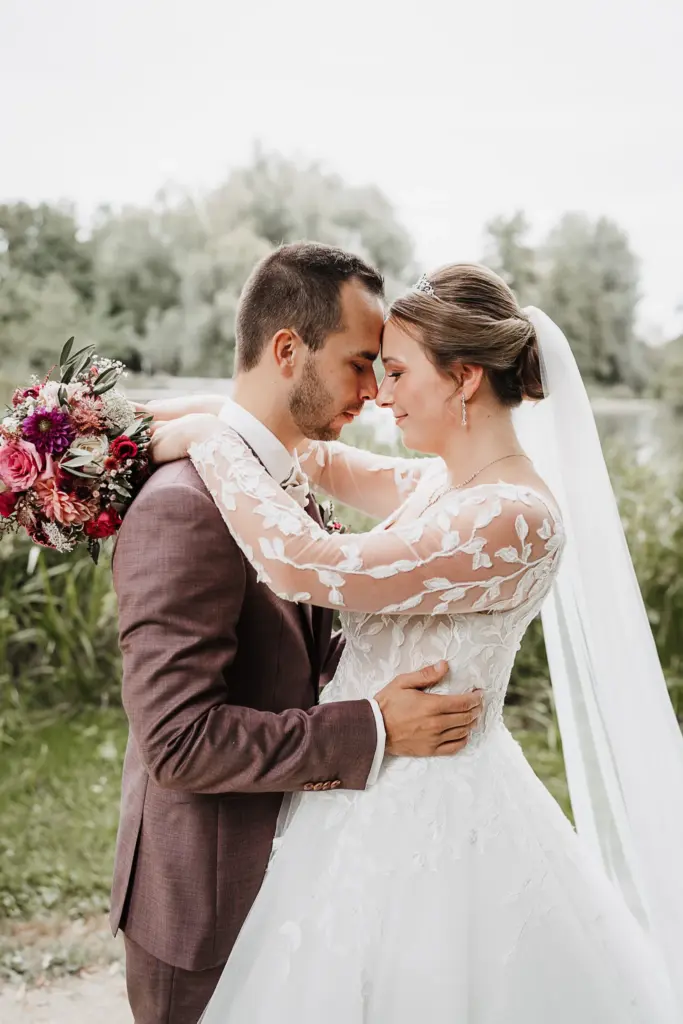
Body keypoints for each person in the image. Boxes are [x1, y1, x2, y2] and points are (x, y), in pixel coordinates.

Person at [149, 260, 680, 1022]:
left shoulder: (514, 520)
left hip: (436, 819)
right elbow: (318, 457)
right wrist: (130, 419)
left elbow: (305, 565)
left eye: (395, 372)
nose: (378, 394)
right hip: (365, 788)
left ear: (463, 378)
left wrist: (205, 440)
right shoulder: (444, 486)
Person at [110, 243, 484, 1024]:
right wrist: (374, 727)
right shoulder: (186, 502)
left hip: (297, 885)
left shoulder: (271, 481)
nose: (374, 393)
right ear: (288, 349)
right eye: (358, 364)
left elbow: (293, 654)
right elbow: (178, 741)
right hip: (207, 911)